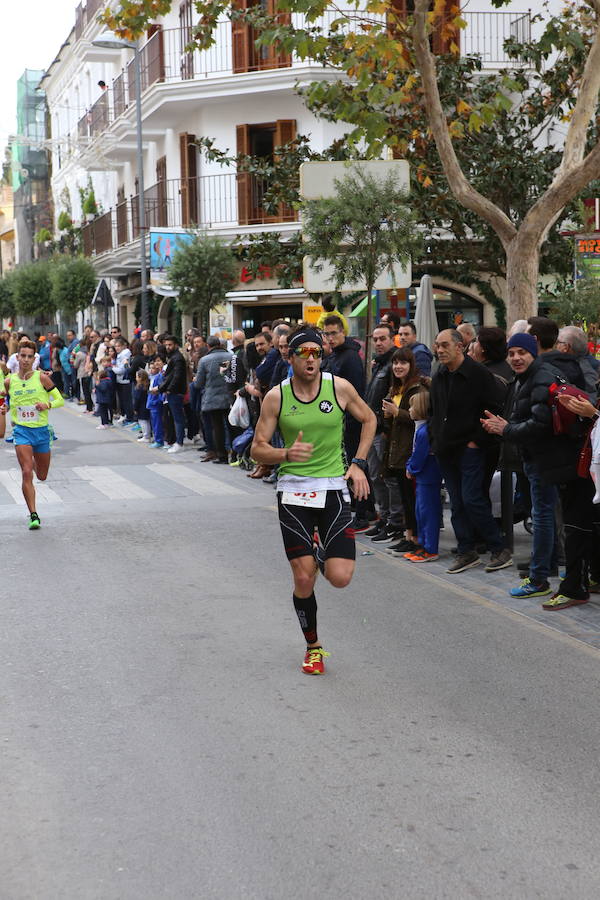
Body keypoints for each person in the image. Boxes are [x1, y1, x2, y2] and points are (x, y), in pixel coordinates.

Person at [250, 326, 376, 675]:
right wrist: (286, 452)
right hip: (293, 491)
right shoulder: (277, 396)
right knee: (304, 579)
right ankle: (313, 646)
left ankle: (320, 551)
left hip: (334, 487)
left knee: (339, 577)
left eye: (316, 353)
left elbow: (369, 419)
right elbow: (257, 447)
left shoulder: (339, 388)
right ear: (289, 357)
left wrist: (359, 463)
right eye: (303, 353)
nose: (310, 359)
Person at [430, 328, 512, 574]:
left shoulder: (479, 374)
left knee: (472, 498)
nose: (440, 350)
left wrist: (475, 441)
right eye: (437, 345)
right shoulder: (439, 374)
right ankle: (466, 550)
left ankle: (499, 548)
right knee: (456, 502)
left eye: (445, 345)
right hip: (446, 449)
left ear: (460, 346)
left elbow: (495, 408)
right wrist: (436, 441)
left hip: (471, 449)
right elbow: (435, 411)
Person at [1, 340, 64, 529]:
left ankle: (35, 460)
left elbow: (59, 399)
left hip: (42, 431)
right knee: (26, 472)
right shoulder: (9, 380)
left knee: (42, 475)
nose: (26, 360)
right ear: (17, 357)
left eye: (30, 356)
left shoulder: (42, 378)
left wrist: (48, 405)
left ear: (34, 358)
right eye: (23, 356)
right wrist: (4, 408)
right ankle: (33, 514)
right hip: (21, 431)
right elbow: (8, 401)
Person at [380, 347, 429, 550]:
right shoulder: (396, 388)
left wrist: (396, 412)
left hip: (410, 450)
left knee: (412, 499)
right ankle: (408, 537)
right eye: (395, 363)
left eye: (403, 363)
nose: (398, 367)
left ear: (411, 365)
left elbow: (421, 418)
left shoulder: (419, 389)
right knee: (405, 497)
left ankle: (416, 538)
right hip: (395, 450)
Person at [405, 390, 442, 561]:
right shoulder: (423, 429)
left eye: (412, 406)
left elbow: (419, 455)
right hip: (424, 477)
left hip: (427, 477)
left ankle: (430, 548)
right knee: (422, 512)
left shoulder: (424, 431)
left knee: (427, 513)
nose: (410, 409)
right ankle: (423, 545)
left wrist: (410, 468)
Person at [195, 335, 233, 463]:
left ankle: (221, 455)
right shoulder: (230, 356)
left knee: (217, 427)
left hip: (212, 398)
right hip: (229, 396)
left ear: (208, 346)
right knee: (231, 425)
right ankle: (234, 454)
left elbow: (199, 383)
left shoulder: (204, 360)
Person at [154, 334, 188, 453]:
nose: (167, 347)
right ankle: (177, 441)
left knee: (177, 418)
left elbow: (176, 376)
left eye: (170, 345)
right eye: (166, 345)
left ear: (176, 345)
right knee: (175, 417)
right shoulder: (174, 357)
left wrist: (168, 389)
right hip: (173, 391)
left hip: (175, 392)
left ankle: (179, 442)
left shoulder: (177, 358)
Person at [147, 357, 165, 448]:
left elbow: (160, 390)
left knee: (157, 422)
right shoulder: (151, 377)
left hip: (156, 402)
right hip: (151, 401)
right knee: (154, 422)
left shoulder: (159, 377)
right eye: (150, 368)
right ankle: (156, 438)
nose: (151, 370)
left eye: (153, 368)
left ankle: (159, 440)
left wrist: (158, 400)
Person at [133, 370, 151, 442]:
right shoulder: (146, 386)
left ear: (140, 378)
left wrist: (135, 408)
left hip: (141, 407)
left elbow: (137, 399)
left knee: (142, 422)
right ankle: (147, 435)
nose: (136, 378)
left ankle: (146, 436)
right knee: (147, 421)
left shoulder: (139, 387)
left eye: (137, 377)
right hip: (146, 406)